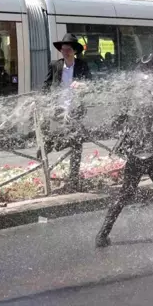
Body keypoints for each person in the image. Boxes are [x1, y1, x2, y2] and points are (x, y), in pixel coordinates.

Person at [95, 54, 153, 253]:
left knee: (124, 195)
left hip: (136, 153)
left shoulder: (133, 92)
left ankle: (102, 235)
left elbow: (117, 121)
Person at [41, 33, 92, 192]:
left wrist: (82, 85)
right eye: (63, 50)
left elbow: (91, 84)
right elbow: (46, 86)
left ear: (74, 51)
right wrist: (42, 101)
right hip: (57, 110)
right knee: (61, 139)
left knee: (77, 143)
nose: (65, 52)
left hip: (74, 111)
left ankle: (73, 179)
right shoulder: (55, 65)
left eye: (68, 50)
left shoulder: (82, 66)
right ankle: (50, 146)